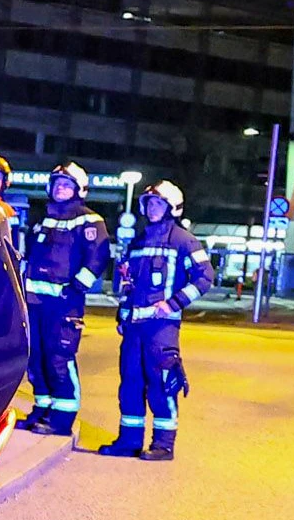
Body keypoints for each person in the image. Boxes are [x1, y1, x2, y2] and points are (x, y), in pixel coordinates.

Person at [99, 178, 212, 461]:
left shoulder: (183, 240)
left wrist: (174, 303)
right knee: (130, 384)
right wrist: (122, 313)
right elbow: (128, 283)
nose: (152, 208)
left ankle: (163, 444)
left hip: (162, 328)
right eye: (149, 203)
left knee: (161, 383)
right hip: (134, 328)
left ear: (171, 207)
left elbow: (205, 277)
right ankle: (129, 441)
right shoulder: (138, 241)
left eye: (158, 203)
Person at [17, 161, 110, 437]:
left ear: (78, 190)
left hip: (64, 302)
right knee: (36, 359)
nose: (60, 188)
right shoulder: (43, 218)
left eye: (66, 185)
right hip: (35, 303)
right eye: (57, 184)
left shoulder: (89, 220)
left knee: (60, 358)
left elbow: (98, 257)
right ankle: (42, 408)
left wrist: (75, 288)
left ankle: (62, 419)